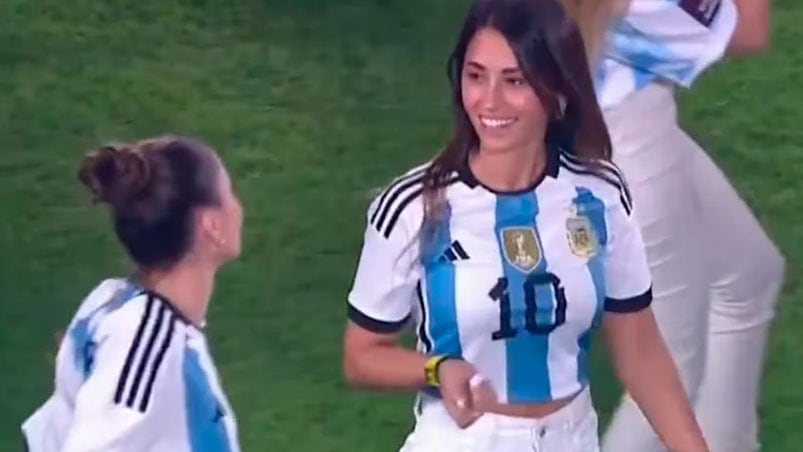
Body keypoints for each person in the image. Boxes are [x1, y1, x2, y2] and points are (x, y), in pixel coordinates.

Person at [341, 0, 709, 450]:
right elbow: (361, 357)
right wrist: (438, 369)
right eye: (476, 76)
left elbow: (638, 349)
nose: (489, 100)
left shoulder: (600, 194)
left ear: (557, 92)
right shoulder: (414, 206)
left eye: (514, 81)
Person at [558, 1, 783, 451]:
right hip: (623, 145)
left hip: (587, 122)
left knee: (748, 274)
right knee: (670, 370)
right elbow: (748, 29)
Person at [20, 135, 244, 452]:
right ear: (212, 226)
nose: (238, 206)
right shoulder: (151, 346)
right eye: (230, 193)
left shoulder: (116, 305)